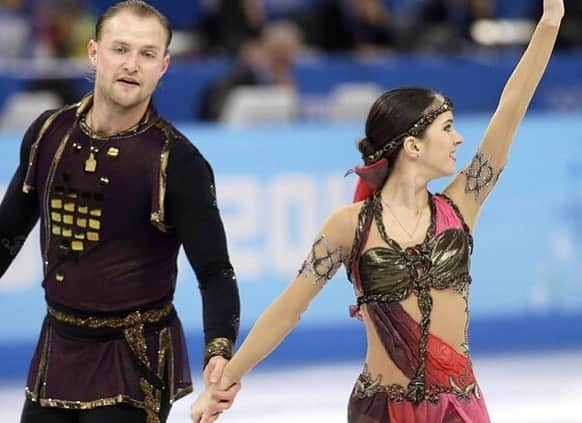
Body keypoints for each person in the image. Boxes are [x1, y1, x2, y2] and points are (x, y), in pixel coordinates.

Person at [190, 0, 564, 422]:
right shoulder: (350, 225)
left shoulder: (461, 205)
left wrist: (550, 22)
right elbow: (288, 308)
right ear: (413, 146)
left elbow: (510, 107)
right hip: (382, 411)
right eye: (447, 128)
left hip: (459, 409)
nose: (459, 139)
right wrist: (225, 383)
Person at [0, 1, 240, 422]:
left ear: (163, 66)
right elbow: (6, 233)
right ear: (94, 53)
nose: (132, 64)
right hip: (58, 344)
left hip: (136, 358)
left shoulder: (177, 161)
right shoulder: (47, 133)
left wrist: (219, 348)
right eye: (120, 49)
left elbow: (215, 271)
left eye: (147, 54)